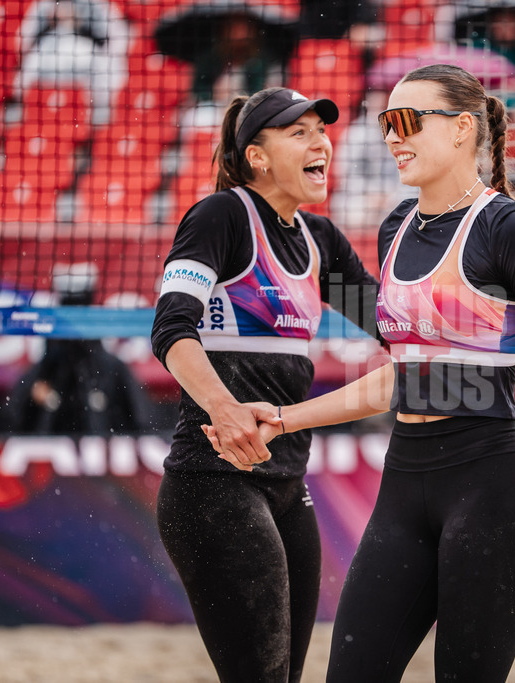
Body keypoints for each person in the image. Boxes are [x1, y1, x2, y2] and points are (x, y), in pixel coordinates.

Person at [208, 64, 515, 681]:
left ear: (463, 128)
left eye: (408, 121)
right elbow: (404, 376)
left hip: (489, 486)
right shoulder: (396, 228)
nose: (392, 136)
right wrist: (282, 419)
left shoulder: (513, 232)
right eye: (387, 123)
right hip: (404, 481)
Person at [150, 86, 380, 683]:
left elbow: (393, 326)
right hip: (213, 482)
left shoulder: (320, 240)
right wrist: (224, 409)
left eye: (322, 132)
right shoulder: (222, 216)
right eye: (300, 132)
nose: (321, 142)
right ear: (256, 155)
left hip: (285, 483)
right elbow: (171, 330)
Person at [11, 262, 148, 434]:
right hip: (52, 448)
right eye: (69, 308)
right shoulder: (45, 369)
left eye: (79, 307)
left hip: (102, 452)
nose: (74, 321)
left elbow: (141, 418)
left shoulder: (112, 369)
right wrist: (35, 398)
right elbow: (14, 415)